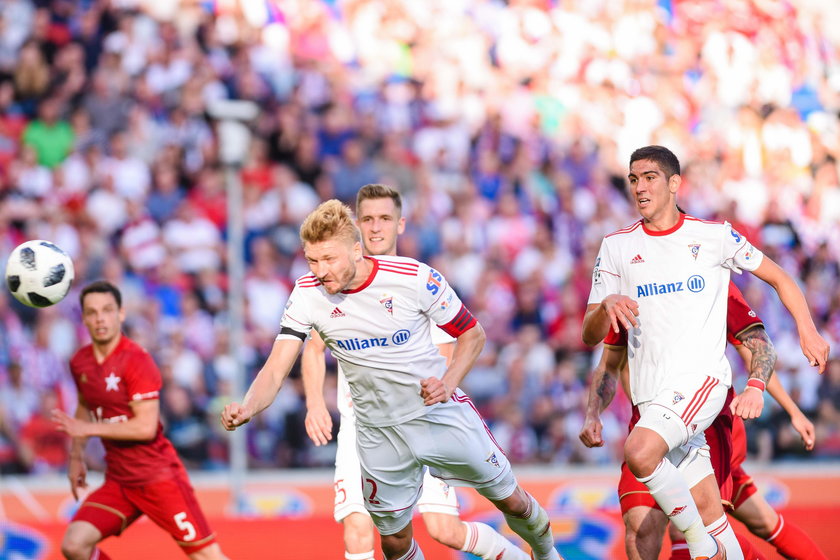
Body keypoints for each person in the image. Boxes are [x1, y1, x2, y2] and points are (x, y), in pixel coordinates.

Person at [222, 199, 561, 560]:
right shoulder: (307, 294)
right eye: (312, 260)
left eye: (329, 259)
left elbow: (472, 334)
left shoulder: (412, 278)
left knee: (510, 500)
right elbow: (276, 367)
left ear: (356, 249)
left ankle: (545, 554)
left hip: (436, 417)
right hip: (377, 433)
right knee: (394, 541)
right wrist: (248, 406)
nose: (320, 271)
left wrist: (448, 382)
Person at [582, 145, 829, 560]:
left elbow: (767, 310)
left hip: (703, 390)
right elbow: (597, 342)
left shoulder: (712, 241)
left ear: (675, 183)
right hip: (653, 405)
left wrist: (805, 332)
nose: (639, 188)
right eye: (633, 179)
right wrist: (605, 308)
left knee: (648, 464)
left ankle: (700, 547)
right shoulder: (617, 249)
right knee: (673, 526)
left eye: (649, 178)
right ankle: (714, 547)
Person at [302, 184, 529, 560]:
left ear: (401, 225)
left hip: (420, 421)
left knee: (445, 530)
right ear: (356, 228)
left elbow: (450, 351)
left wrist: (433, 387)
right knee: (358, 530)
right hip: (363, 428)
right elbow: (312, 346)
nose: (376, 228)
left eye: (385, 219)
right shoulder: (331, 288)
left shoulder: (416, 282)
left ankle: (521, 557)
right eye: (368, 219)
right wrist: (315, 403)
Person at [581, 281, 827, 560]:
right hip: (651, 427)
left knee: (694, 528)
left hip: (706, 420)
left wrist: (791, 409)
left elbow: (755, 349)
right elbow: (608, 361)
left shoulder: (709, 270)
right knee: (641, 529)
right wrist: (593, 413)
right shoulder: (632, 278)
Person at [52, 281, 227, 560]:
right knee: (74, 545)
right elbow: (86, 404)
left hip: (159, 479)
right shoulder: (80, 363)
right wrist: (76, 458)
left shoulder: (137, 361)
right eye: (92, 312)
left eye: (107, 310)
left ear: (120, 314)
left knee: (207, 556)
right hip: (120, 482)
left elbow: (145, 428)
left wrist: (88, 429)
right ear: (83, 318)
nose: (100, 319)